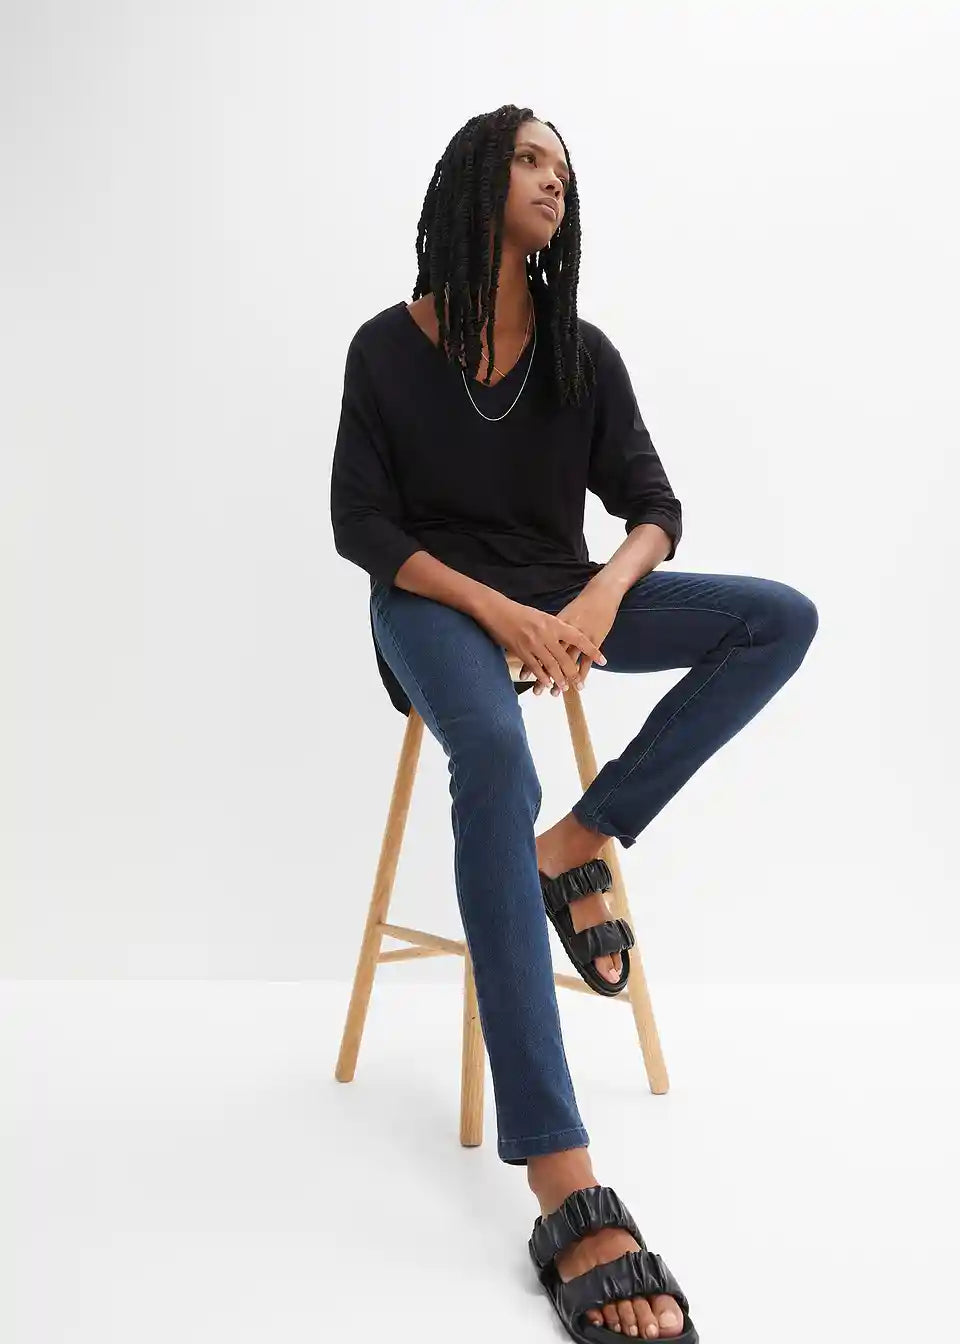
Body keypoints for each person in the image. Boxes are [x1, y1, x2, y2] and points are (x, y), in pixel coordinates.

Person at [330, 104, 818, 1342]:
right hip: (430, 601)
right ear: (476, 179)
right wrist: (498, 612)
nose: (556, 181)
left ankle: (576, 845)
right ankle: (561, 1175)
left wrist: (598, 595)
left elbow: (654, 506)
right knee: (495, 755)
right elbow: (363, 528)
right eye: (532, 159)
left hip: (562, 592)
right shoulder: (384, 350)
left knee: (777, 620)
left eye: (564, 167)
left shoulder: (580, 354)